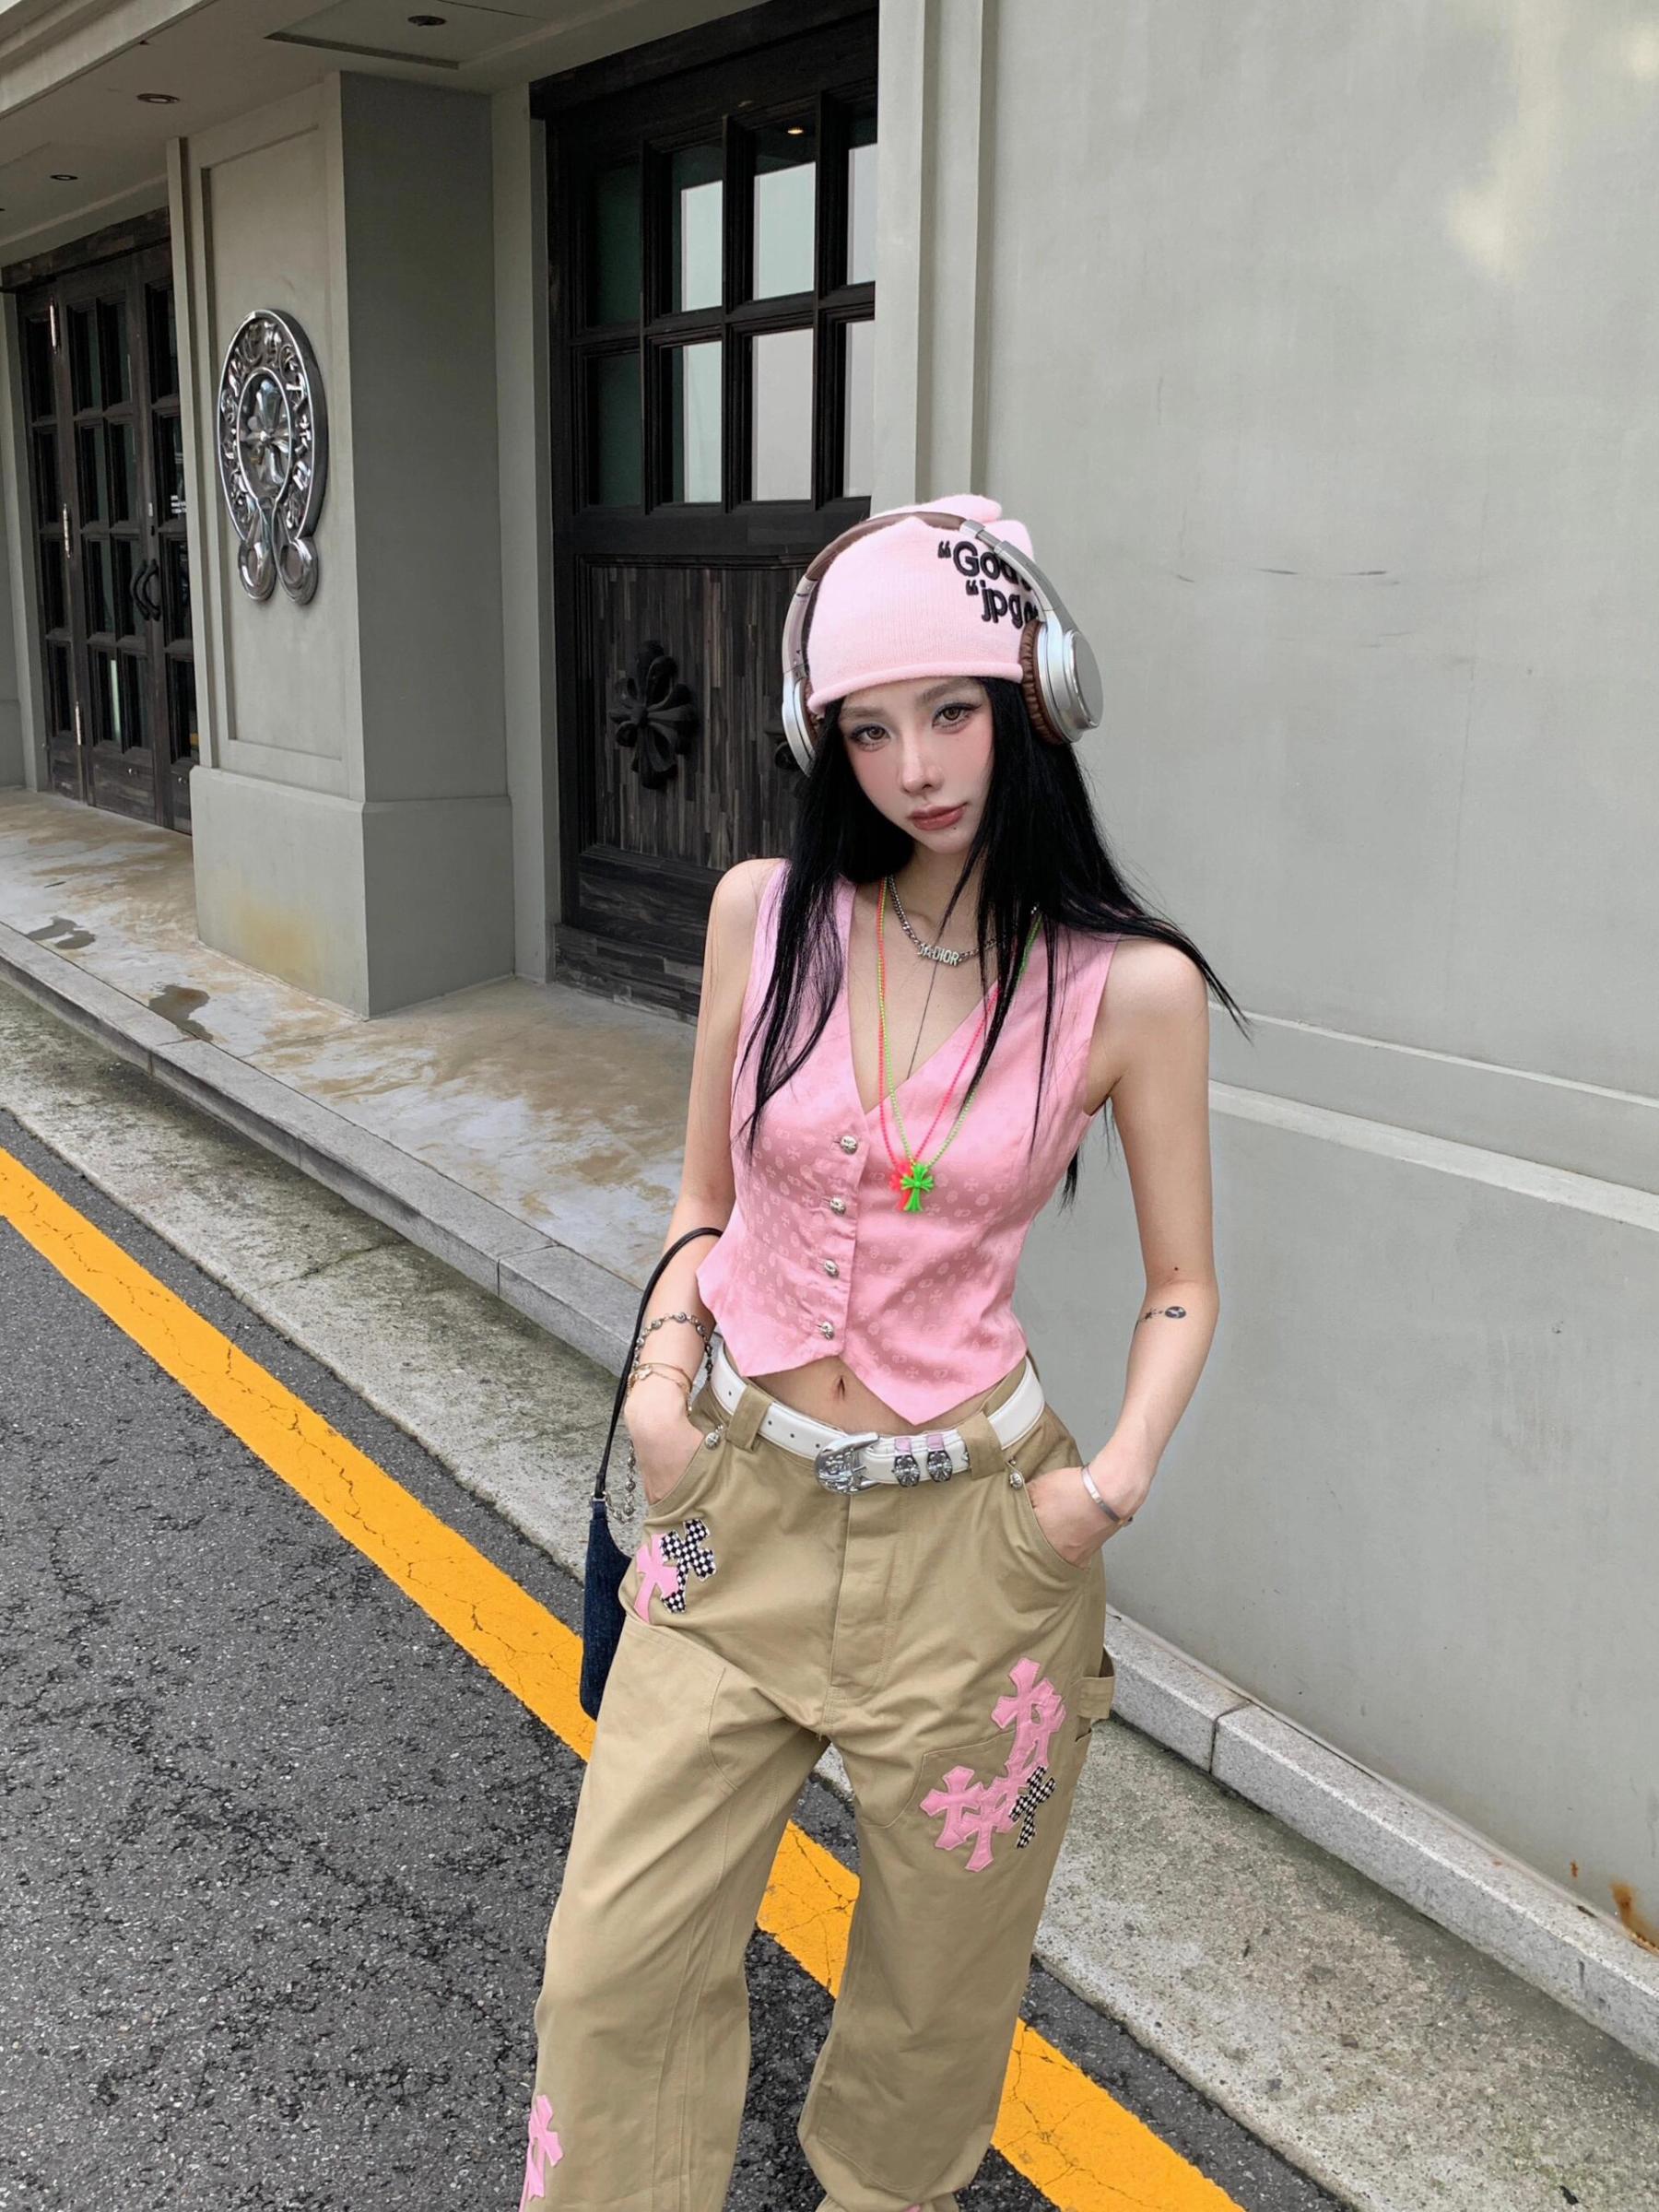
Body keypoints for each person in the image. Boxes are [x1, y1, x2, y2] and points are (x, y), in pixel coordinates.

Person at [516, 494, 1246, 2212]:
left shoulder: (1127, 990)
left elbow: (1184, 1285)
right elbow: (705, 1198)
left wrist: (1107, 1486)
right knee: (611, 1964)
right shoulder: (763, 916)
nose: (915, 767)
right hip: (734, 1512)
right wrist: (660, 1394)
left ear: (1033, 700)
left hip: (980, 1545)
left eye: (952, 711)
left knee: (938, 1999)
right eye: (868, 728)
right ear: (818, 737)